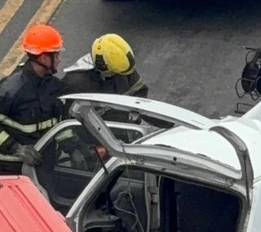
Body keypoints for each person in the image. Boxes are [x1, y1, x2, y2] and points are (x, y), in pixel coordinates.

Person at [0, 24, 68, 175]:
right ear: (43, 57)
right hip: (12, 170)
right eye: (55, 55)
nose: (59, 60)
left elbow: (59, 124)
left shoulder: (54, 86)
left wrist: (75, 149)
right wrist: (16, 148)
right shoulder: (11, 90)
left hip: (44, 166)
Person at [58, 33, 149, 98]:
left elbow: (139, 92)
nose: (127, 75)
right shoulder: (75, 83)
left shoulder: (122, 68)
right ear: (103, 66)